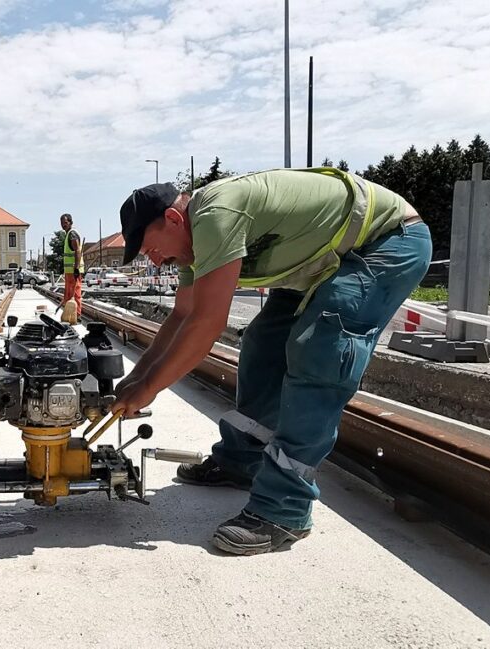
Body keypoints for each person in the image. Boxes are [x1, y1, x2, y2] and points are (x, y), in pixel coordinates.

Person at [112, 169, 431, 556]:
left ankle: (285, 510)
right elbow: (181, 316)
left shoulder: (215, 213)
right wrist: (137, 377)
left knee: (320, 349)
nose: (157, 261)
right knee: (263, 344)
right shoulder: (190, 243)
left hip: (385, 241)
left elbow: (206, 325)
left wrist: (150, 389)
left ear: (174, 219)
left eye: (151, 249)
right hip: (323, 261)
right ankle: (241, 462)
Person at [60, 213, 83, 317]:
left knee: (75, 293)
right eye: (61, 223)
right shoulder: (68, 234)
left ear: (70, 222)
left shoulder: (72, 234)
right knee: (69, 294)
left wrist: (76, 268)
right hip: (69, 271)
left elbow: (77, 250)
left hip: (74, 270)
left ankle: (77, 315)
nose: (63, 225)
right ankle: (70, 315)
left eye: (65, 222)